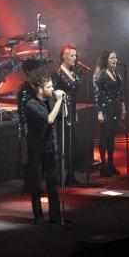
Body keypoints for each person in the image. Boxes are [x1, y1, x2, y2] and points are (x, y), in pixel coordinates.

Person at [25, 77, 67, 224]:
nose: (52, 89)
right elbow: (49, 119)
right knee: (36, 185)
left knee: (52, 183)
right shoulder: (31, 104)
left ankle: (55, 216)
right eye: (49, 87)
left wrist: (62, 101)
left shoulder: (51, 101)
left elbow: (63, 115)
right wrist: (59, 101)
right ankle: (38, 217)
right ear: (40, 89)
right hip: (36, 150)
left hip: (51, 148)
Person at [52, 45, 82, 185]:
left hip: (71, 113)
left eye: (76, 56)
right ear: (63, 56)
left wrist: (74, 112)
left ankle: (71, 175)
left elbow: (74, 95)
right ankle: (58, 176)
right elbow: (51, 93)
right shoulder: (57, 73)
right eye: (72, 56)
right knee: (61, 145)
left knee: (71, 145)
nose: (75, 58)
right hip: (61, 114)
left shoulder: (74, 73)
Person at [93, 51, 125, 177]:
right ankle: (103, 165)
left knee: (111, 138)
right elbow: (97, 95)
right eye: (112, 58)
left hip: (115, 108)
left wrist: (123, 107)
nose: (115, 60)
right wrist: (99, 111)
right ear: (106, 60)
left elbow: (119, 92)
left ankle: (111, 164)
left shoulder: (116, 73)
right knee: (104, 137)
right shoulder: (101, 75)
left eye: (116, 57)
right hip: (105, 109)